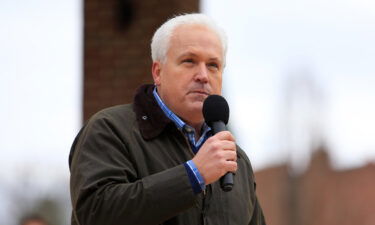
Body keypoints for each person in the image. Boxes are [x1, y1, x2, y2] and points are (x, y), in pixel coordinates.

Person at [69, 13, 266, 225]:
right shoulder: (110, 130)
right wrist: (193, 175)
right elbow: (95, 213)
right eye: (189, 61)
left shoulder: (235, 160)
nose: (203, 75)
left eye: (213, 65)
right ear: (158, 72)